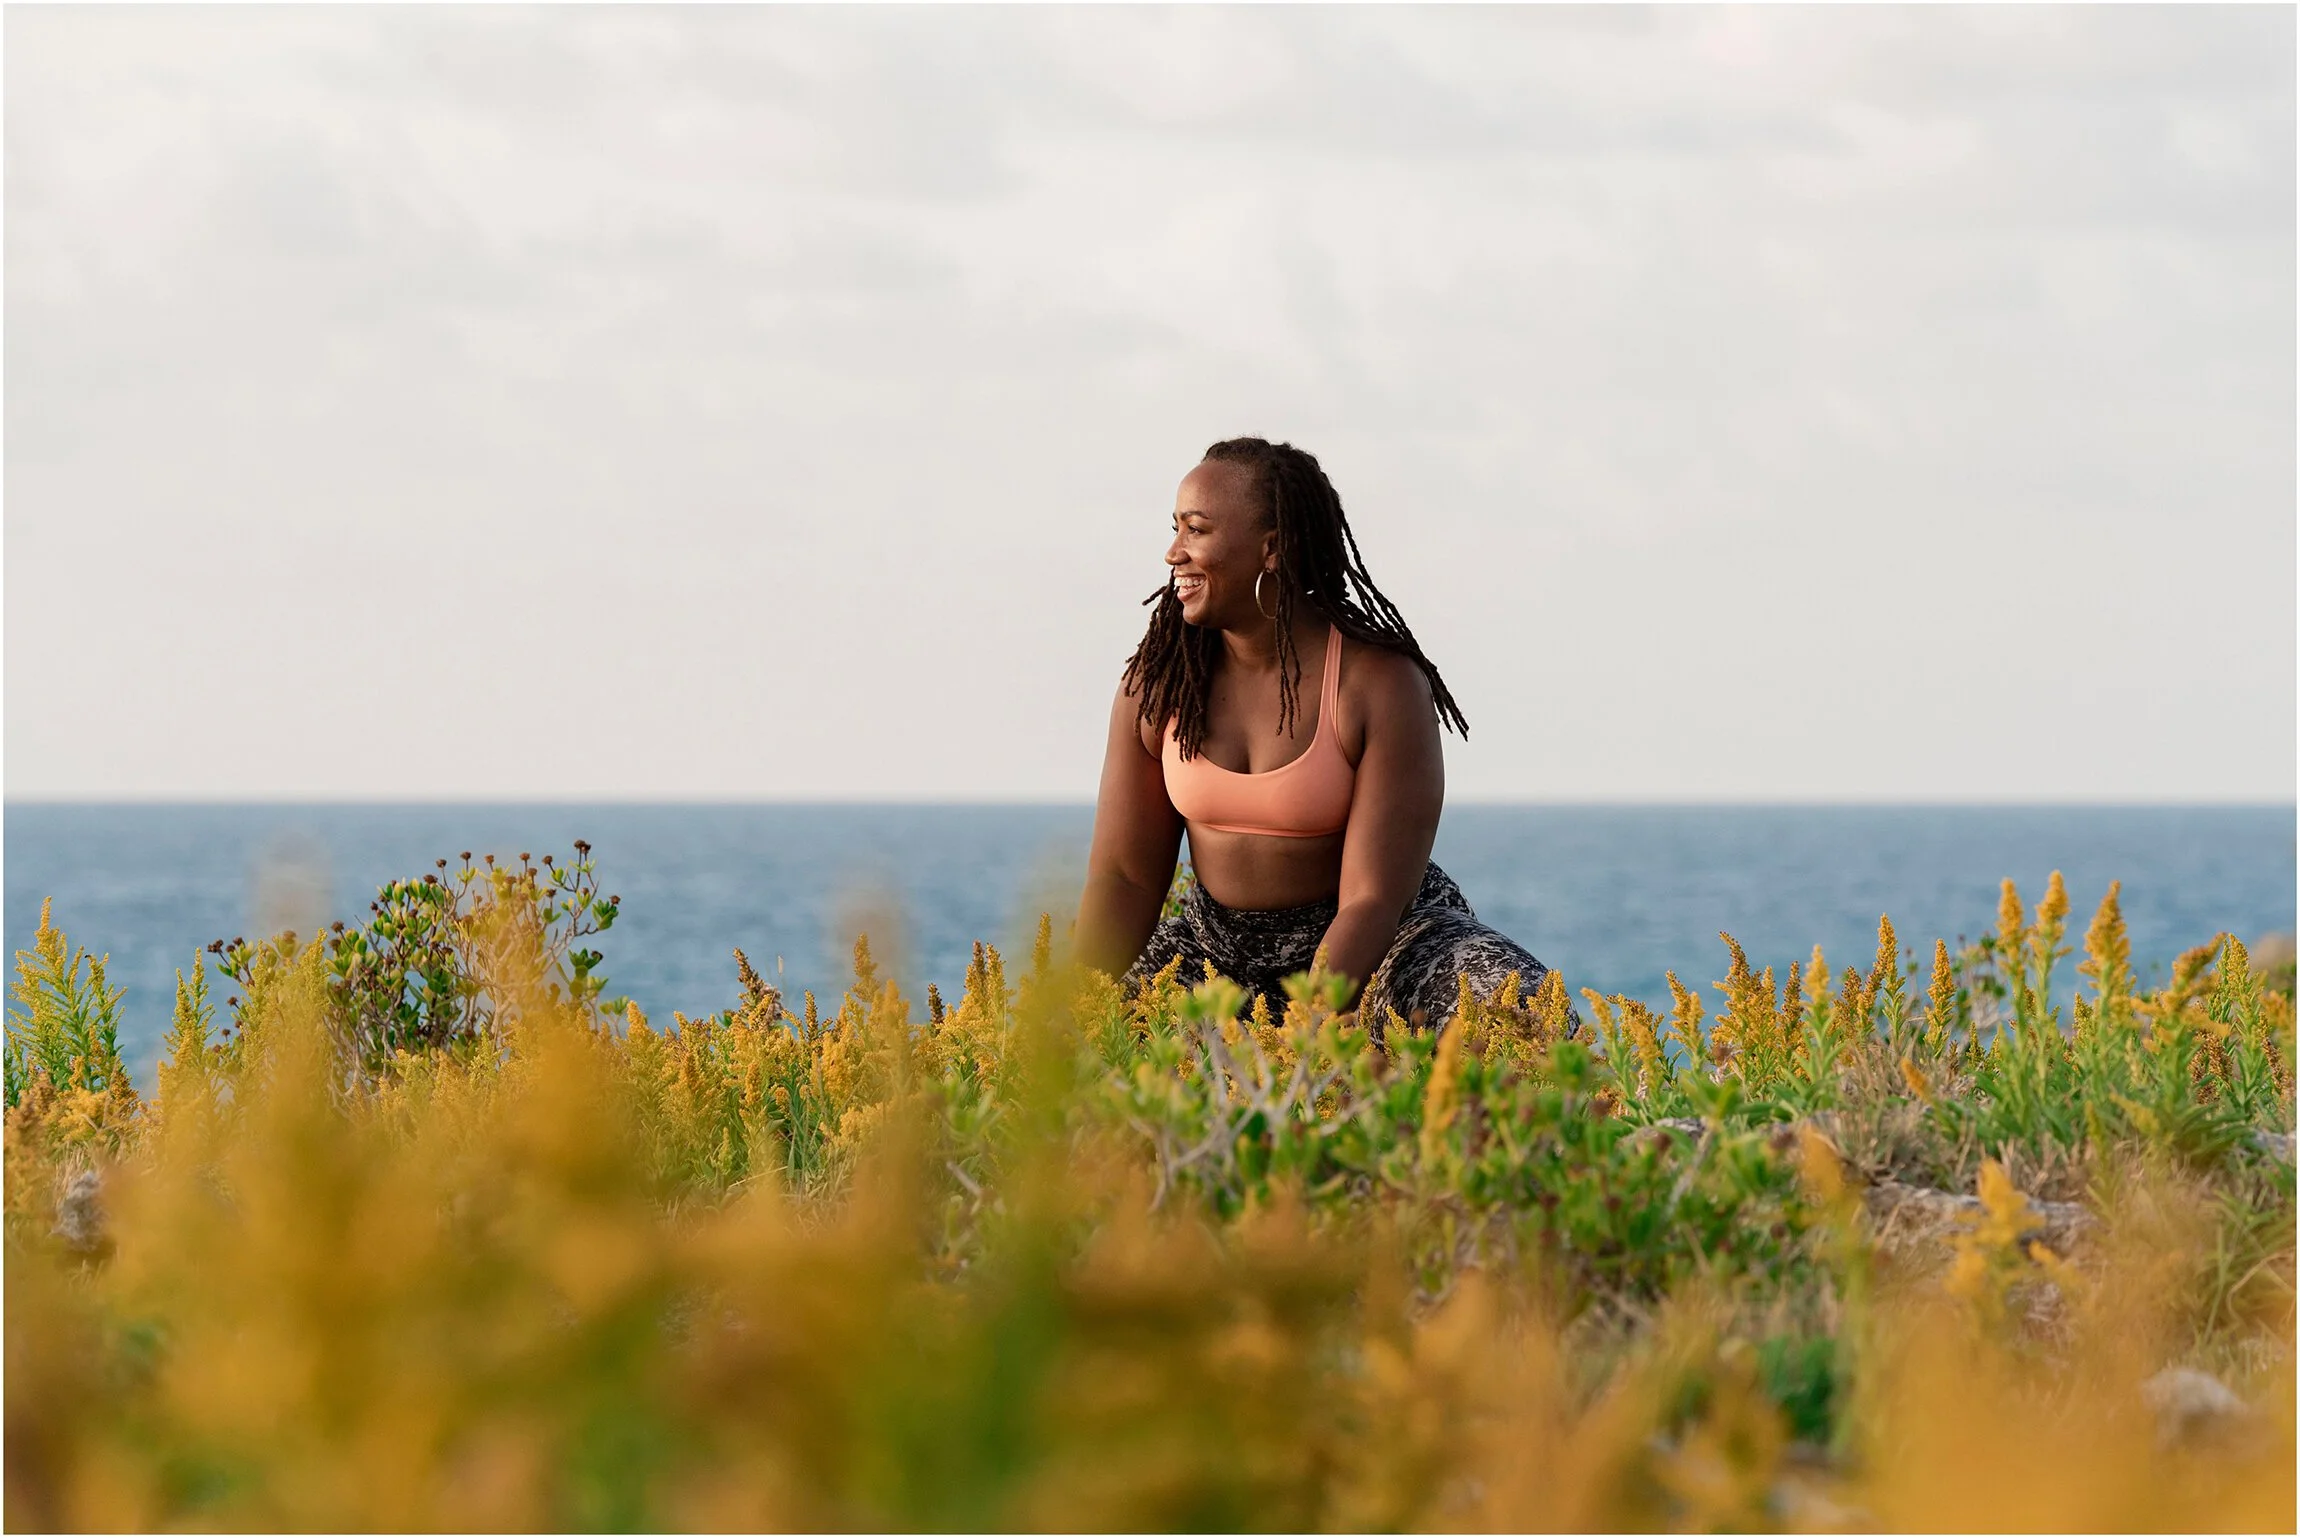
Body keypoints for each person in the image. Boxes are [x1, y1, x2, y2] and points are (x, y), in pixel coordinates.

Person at [1074, 436, 1571, 1035]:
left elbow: (1371, 900)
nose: (1173, 553)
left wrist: (1301, 1034)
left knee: (1524, 1012)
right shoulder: (1157, 688)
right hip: (1215, 951)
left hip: (1381, 941)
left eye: (1196, 530)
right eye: (1175, 528)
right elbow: (1124, 880)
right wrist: (1072, 1011)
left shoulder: (1378, 684)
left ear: (1272, 548)